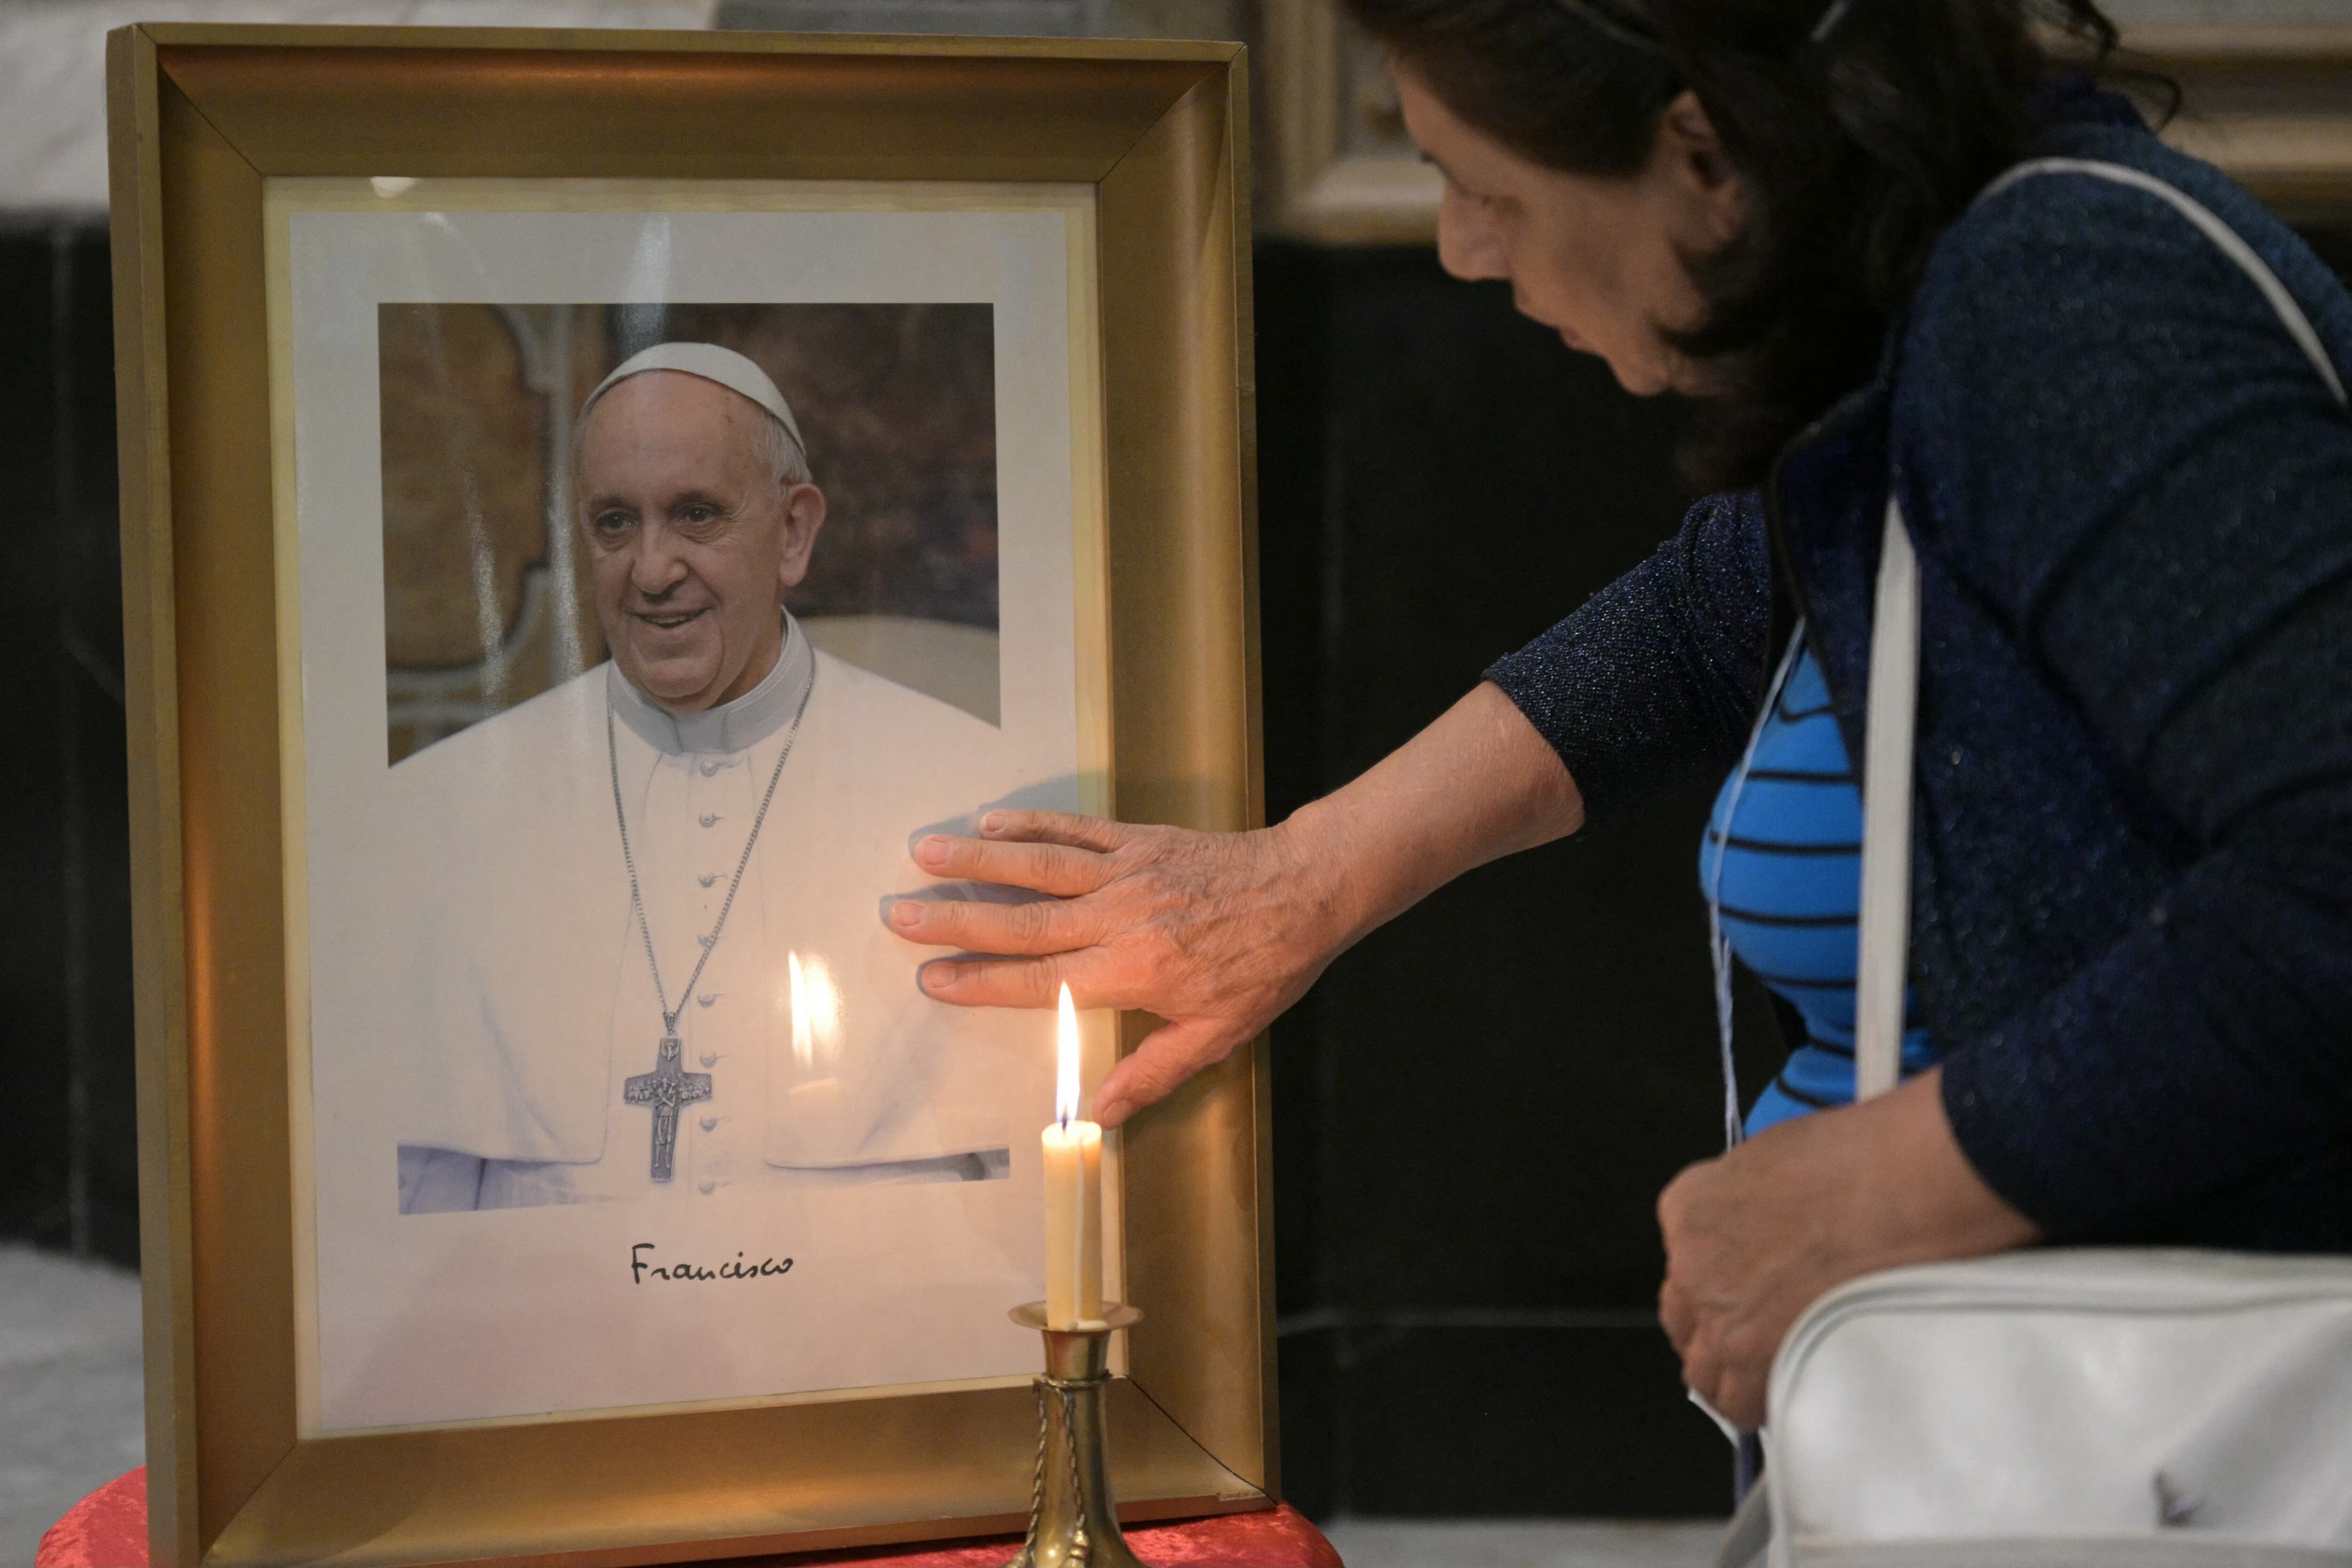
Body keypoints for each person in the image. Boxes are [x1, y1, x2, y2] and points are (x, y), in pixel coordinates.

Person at [888, 0, 2352, 1433]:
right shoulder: (1917, 303)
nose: (1462, 249)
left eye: (1488, 190)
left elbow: (2331, 876)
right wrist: (1299, 880)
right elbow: (1723, 611)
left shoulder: (2072, 307)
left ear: (1703, 155)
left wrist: (1865, 1192)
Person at [395, 342, 1034, 1214]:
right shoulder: (448, 809)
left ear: (795, 533)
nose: (652, 571)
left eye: (696, 514)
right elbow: (414, 1210)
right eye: (616, 522)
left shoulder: (980, 795)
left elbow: (1027, 1192)